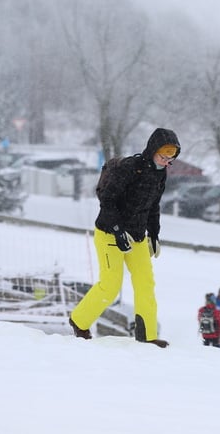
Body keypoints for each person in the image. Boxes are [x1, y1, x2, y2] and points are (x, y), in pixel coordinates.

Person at [68, 128, 180, 347]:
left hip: (136, 237)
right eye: (162, 156)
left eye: (170, 159)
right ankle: (79, 321)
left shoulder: (160, 174)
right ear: (152, 150)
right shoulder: (130, 168)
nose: (166, 161)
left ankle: (147, 335)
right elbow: (107, 200)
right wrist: (118, 231)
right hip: (110, 233)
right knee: (110, 285)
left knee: (145, 283)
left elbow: (153, 206)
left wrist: (154, 234)